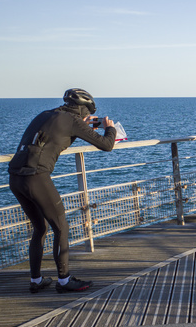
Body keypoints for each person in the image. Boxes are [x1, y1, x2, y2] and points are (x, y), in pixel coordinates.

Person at [8, 89, 117, 293]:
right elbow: (107, 145)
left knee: (40, 228)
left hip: (15, 178)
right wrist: (109, 128)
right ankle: (64, 281)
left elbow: (64, 129)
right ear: (85, 109)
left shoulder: (46, 114)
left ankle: (36, 280)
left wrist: (87, 123)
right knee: (61, 228)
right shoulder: (73, 121)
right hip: (36, 177)